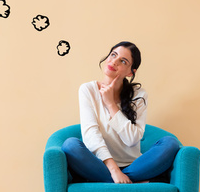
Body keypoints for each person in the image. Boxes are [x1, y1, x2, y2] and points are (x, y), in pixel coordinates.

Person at [61, 41, 180, 183]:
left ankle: (118, 180)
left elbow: (131, 140)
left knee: (170, 143)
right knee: (70, 145)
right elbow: (90, 135)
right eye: (113, 55)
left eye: (123, 61)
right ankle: (126, 180)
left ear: (131, 72)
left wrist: (110, 104)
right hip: (100, 165)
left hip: (135, 166)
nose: (114, 61)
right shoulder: (88, 90)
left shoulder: (139, 95)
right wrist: (114, 170)